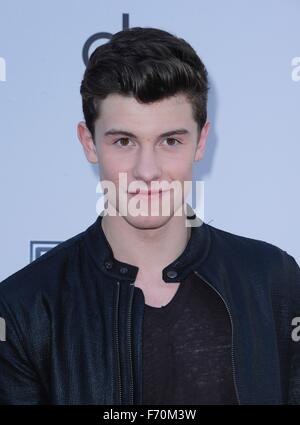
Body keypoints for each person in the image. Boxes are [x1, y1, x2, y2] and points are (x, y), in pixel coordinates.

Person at [0, 26, 299, 405]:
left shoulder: (273, 280)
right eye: (124, 141)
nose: (147, 170)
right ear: (89, 143)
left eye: (170, 141)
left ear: (201, 141)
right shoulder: (24, 307)